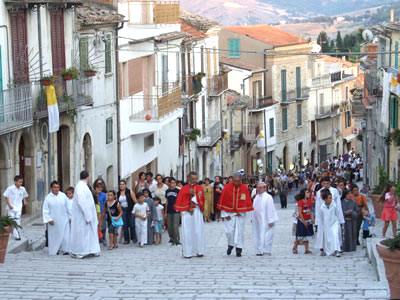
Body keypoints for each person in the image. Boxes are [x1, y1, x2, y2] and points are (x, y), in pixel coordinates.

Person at [218, 173, 253, 257]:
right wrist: (225, 214)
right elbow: (223, 201)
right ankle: (230, 245)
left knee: (239, 232)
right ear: (232, 180)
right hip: (229, 214)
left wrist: (240, 211)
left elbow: (245, 201)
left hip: (239, 215)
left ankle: (239, 249)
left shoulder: (244, 188)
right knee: (229, 232)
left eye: (238, 181)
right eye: (235, 181)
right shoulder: (227, 188)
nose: (236, 183)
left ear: (240, 180)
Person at [174, 171, 206, 258]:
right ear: (189, 178)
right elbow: (180, 201)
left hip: (197, 212)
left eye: (196, 178)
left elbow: (202, 200)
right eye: (193, 179)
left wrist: (194, 196)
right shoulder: (184, 188)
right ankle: (188, 252)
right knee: (187, 232)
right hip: (187, 213)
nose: (194, 180)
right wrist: (188, 208)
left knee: (198, 231)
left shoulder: (200, 188)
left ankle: (199, 251)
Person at [70, 171, 101, 259]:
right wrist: (87, 215)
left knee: (90, 233)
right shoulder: (80, 187)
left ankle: (92, 249)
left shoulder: (83, 186)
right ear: (88, 177)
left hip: (88, 215)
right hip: (82, 216)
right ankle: (80, 251)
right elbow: (82, 202)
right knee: (82, 234)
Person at [42, 181, 71, 255]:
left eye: (58, 187)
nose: (56, 189)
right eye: (54, 187)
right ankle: (55, 250)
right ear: (51, 188)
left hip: (64, 219)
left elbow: (68, 207)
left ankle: (65, 250)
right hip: (54, 221)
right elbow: (45, 210)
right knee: (54, 237)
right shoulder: (48, 198)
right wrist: (49, 219)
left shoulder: (63, 196)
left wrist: (70, 217)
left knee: (65, 236)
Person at [251, 183, 278, 256]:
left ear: (265, 188)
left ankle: (266, 250)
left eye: (260, 187)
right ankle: (259, 250)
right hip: (257, 220)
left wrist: (271, 220)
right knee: (258, 235)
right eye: (258, 187)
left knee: (267, 236)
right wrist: (252, 217)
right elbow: (253, 208)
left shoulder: (268, 197)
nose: (259, 189)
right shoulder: (256, 197)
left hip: (265, 220)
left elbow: (270, 209)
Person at [315, 189, 342, 257]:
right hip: (326, 225)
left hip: (334, 223)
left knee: (335, 235)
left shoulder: (334, 205)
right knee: (328, 238)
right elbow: (321, 218)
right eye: (329, 198)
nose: (331, 199)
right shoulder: (322, 208)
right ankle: (329, 250)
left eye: (331, 197)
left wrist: (337, 222)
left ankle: (337, 250)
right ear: (325, 199)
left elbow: (337, 214)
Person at [3, 175, 28, 240]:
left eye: (21, 182)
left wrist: (24, 201)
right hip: (11, 207)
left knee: (17, 220)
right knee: (12, 220)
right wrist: (9, 205)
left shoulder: (22, 189)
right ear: (15, 182)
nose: (20, 183)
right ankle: (14, 233)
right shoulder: (10, 188)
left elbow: (23, 195)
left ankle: (16, 234)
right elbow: (6, 196)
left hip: (19, 207)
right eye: (19, 182)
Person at [294, 190, 314, 255]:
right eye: (307, 192)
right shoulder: (300, 202)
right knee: (300, 235)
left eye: (309, 192)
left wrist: (312, 218)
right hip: (302, 220)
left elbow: (310, 210)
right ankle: (295, 247)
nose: (309, 194)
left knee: (307, 235)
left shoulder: (309, 201)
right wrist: (303, 221)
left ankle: (306, 249)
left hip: (308, 220)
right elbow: (300, 213)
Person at [117, 180, 137, 244]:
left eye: (123, 184)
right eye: (120, 184)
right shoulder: (118, 193)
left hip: (131, 209)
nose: (121, 185)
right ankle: (126, 239)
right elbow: (117, 202)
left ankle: (133, 237)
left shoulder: (130, 192)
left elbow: (135, 201)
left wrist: (137, 210)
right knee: (125, 225)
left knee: (132, 224)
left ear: (125, 185)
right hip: (123, 210)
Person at [165, 178, 180, 245]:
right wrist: (165, 212)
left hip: (176, 210)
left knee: (175, 226)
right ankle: (172, 239)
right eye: (172, 183)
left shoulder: (178, 191)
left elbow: (180, 201)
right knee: (170, 226)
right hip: (169, 210)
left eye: (174, 183)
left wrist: (181, 211)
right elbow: (167, 201)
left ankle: (177, 240)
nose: (173, 184)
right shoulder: (167, 191)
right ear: (169, 183)